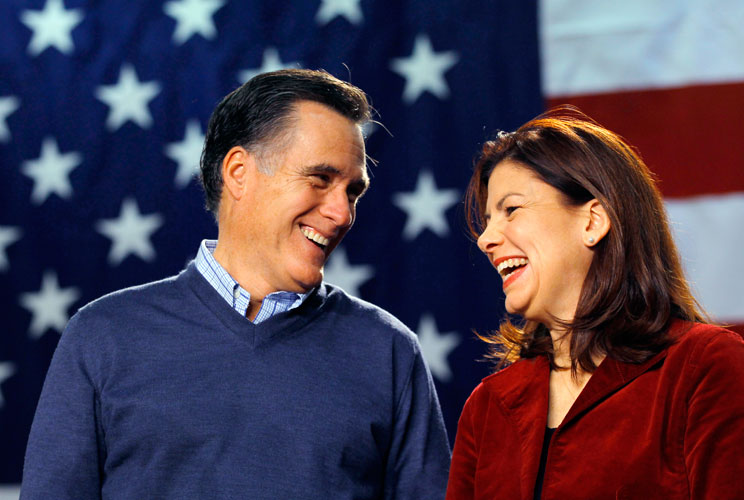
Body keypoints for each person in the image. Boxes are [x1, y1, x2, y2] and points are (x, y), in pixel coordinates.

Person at [22, 69, 451, 499]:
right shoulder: (102, 336)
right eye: (320, 179)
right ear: (239, 172)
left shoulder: (389, 351)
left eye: (353, 192)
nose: (342, 213)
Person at [446, 108, 744, 499]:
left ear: (592, 221)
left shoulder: (705, 367)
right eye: (487, 220)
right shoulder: (487, 408)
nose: (486, 239)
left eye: (511, 210)